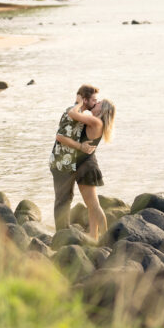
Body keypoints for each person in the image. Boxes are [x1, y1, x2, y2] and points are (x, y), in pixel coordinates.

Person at [55, 96, 116, 240]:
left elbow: (72, 113)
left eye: (99, 103)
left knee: (94, 206)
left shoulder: (96, 121)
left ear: (103, 109)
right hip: (86, 165)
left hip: (86, 167)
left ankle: (106, 238)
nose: (96, 102)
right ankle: (94, 237)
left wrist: (80, 103)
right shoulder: (96, 121)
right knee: (92, 206)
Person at [49, 84, 99, 231]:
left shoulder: (79, 114)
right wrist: (81, 147)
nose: (96, 103)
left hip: (68, 163)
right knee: (62, 200)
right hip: (61, 163)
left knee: (66, 199)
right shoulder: (70, 113)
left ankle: (64, 231)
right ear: (85, 100)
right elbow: (60, 136)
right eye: (94, 100)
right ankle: (61, 234)